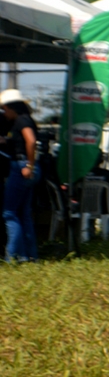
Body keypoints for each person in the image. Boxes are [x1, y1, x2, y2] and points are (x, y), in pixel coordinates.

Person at [1, 88, 40, 263]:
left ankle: (12, 256)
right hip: (26, 166)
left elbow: (30, 141)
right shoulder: (24, 119)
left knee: (9, 213)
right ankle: (29, 256)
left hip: (21, 166)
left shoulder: (22, 120)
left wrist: (29, 166)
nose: (4, 113)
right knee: (23, 213)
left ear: (13, 108)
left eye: (5, 109)